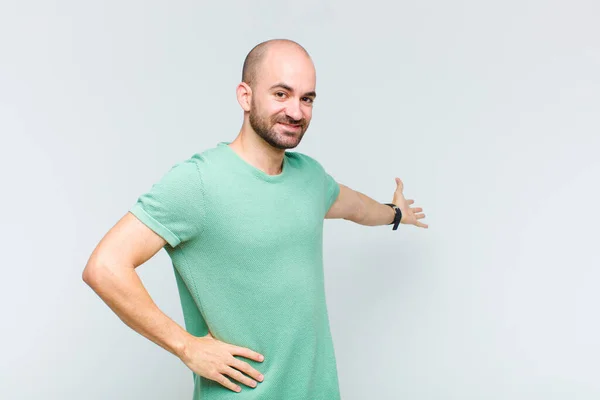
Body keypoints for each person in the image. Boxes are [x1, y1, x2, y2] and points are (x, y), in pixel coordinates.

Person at [82, 38, 428, 400]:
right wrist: (187, 347)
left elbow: (355, 207)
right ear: (245, 96)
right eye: (281, 94)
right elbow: (105, 266)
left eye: (306, 98)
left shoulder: (310, 178)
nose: (296, 111)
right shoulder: (199, 182)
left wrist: (396, 213)